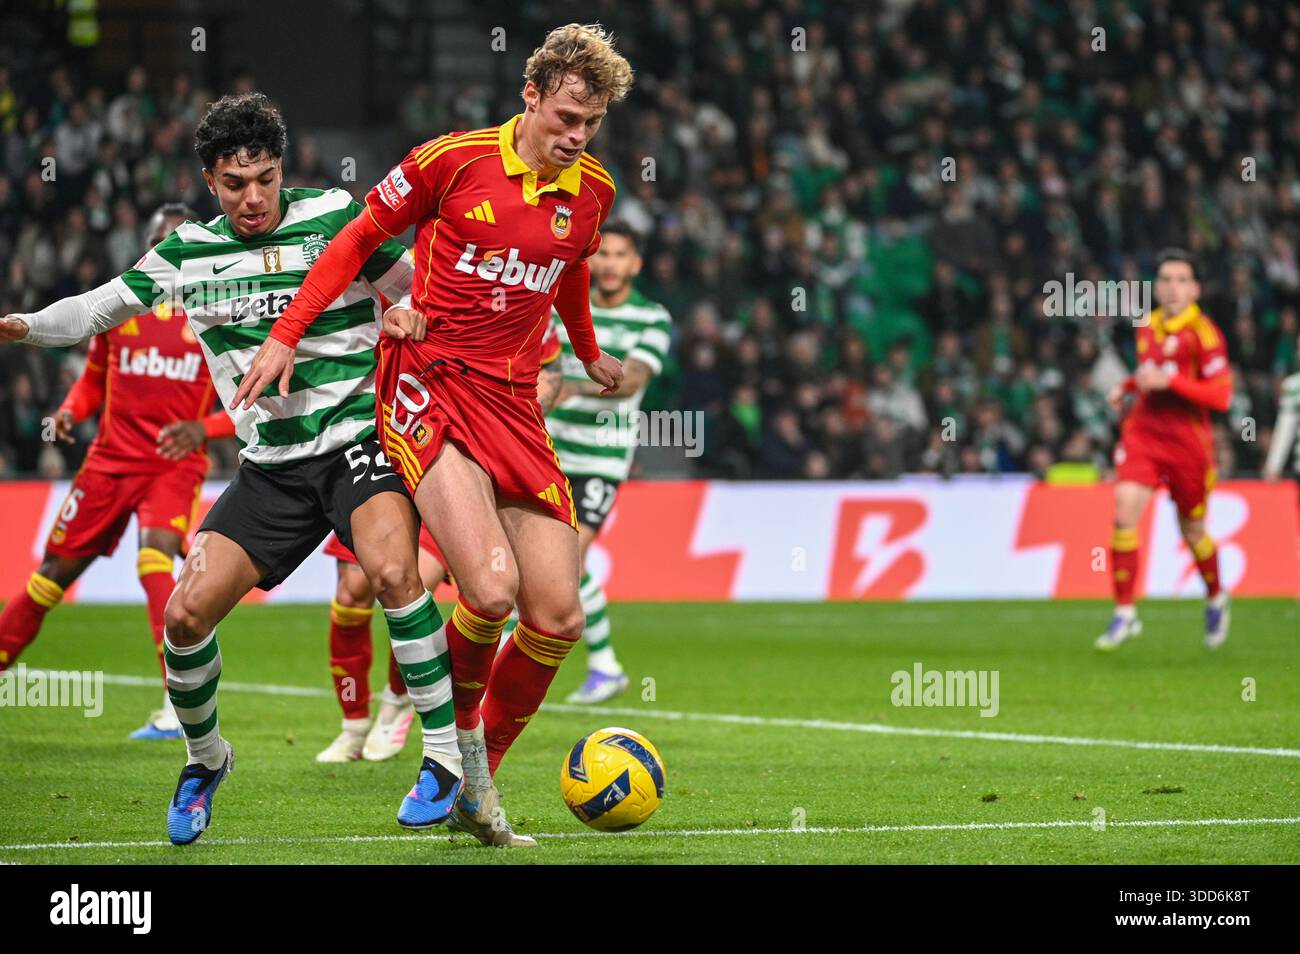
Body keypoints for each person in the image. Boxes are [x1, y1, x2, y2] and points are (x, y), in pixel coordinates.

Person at [0, 92, 462, 845]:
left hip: (355, 441)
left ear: (284, 170)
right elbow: (92, 311)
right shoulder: (187, 255)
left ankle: (442, 759)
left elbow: (418, 286)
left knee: (392, 573)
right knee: (184, 616)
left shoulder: (336, 215)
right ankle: (206, 760)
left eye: (266, 178)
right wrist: (20, 325)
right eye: (235, 183)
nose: (254, 197)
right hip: (271, 468)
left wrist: (409, 314)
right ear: (209, 182)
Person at [233, 24, 633, 847]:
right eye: (564, 117)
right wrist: (287, 334)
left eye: (588, 125)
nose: (574, 137)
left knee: (555, 616)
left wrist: (587, 353)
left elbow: (573, 268)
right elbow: (353, 240)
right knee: (487, 591)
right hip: (432, 382)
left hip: (516, 401)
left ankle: (475, 785)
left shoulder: (594, 191)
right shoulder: (450, 161)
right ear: (531, 94)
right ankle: (445, 759)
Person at [0, 203, 233, 741]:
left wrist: (206, 431)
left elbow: (254, 394)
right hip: (108, 463)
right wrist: (67, 412)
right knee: (48, 579)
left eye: (180, 241)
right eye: (160, 241)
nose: (170, 252)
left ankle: (178, 706)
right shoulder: (121, 311)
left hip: (172, 464)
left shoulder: (213, 317)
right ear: (148, 248)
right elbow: (94, 381)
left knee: (154, 559)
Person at [315, 323, 563, 762]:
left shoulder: (517, 292)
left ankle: (397, 704)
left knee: (415, 588)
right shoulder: (391, 282)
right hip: (381, 455)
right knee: (352, 592)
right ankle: (352, 724)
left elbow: (550, 374)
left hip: (454, 461)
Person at [547, 222, 671, 703]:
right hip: (551, 448)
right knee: (539, 562)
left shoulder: (652, 318)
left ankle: (604, 666)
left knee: (567, 560)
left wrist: (561, 390)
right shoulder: (564, 305)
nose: (612, 263)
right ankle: (603, 667)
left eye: (622, 255)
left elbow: (633, 380)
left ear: (635, 264)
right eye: (605, 254)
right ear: (592, 260)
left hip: (602, 460)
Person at [1097, 249, 1233, 651]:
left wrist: (1171, 384)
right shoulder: (1147, 326)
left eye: (1181, 280)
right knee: (1124, 514)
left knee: (1192, 531)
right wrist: (1125, 388)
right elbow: (1148, 375)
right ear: (1156, 287)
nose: (1173, 288)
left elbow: (1222, 396)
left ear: (1195, 288)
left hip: (1187, 448)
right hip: (1144, 436)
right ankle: (1124, 612)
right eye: (1166, 280)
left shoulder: (1205, 335)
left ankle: (1215, 595)